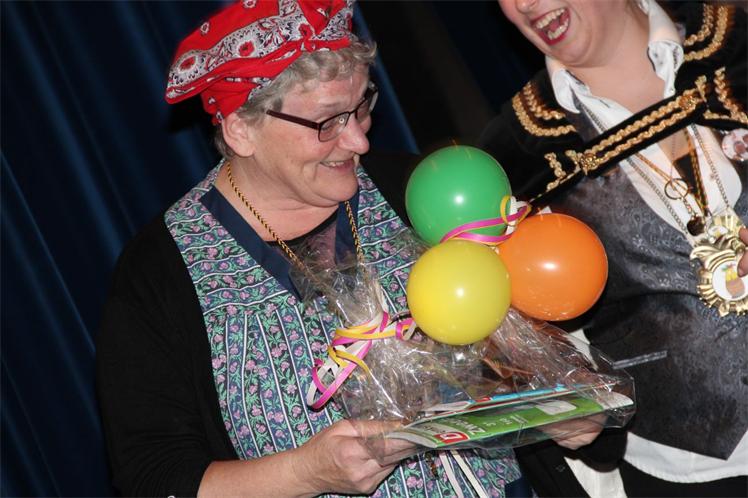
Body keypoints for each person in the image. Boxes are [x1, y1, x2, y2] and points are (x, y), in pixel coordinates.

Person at [96, 1, 531, 496]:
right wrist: (306, 473)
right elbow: (152, 478)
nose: (359, 141)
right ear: (241, 129)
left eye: (362, 107)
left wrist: (557, 401)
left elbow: (521, 342)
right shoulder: (162, 271)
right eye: (328, 121)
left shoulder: (411, 190)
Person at [480, 0, 748, 496]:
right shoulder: (516, 153)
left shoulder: (736, 43)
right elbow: (519, 337)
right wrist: (557, 395)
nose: (524, 3)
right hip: (688, 472)